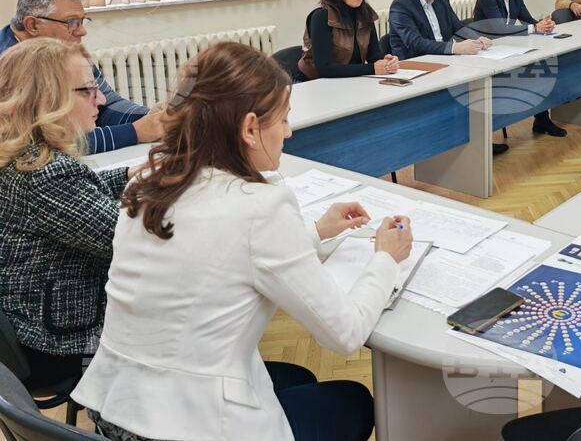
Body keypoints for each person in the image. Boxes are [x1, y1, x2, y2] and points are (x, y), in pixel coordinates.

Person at [72, 42, 413, 441]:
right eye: (282, 120)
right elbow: (346, 332)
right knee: (351, 400)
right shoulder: (261, 206)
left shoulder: (147, 180)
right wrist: (385, 259)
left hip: (117, 407)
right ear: (250, 128)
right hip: (190, 426)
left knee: (298, 377)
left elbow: (219, 251)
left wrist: (318, 231)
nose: (288, 132)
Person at [0, 39, 140, 387]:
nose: (102, 100)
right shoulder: (46, 174)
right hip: (60, 341)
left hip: (25, 325)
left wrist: (128, 175)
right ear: (48, 98)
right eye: (88, 90)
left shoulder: (23, 156)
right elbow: (131, 244)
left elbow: (77, 195)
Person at [0, 0, 162, 154]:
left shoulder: (67, 52)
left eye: (82, 21)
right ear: (32, 25)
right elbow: (36, 145)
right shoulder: (8, 67)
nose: (82, 31)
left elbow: (106, 105)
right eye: (71, 22)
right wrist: (135, 132)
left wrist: (150, 117)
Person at [473, 0, 566, 138]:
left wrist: (542, 24)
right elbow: (499, 28)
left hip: (506, 47)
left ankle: (542, 120)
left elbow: (526, 17)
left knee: (540, 69)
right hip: (485, 51)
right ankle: (485, 135)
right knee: (530, 73)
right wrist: (533, 28)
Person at [297, 0, 399, 79]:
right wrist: (371, 68)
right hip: (313, 83)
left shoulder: (365, 12)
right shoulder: (321, 16)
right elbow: (325, 68)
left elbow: (373, 55)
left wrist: (387, 62)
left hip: (349, 81)